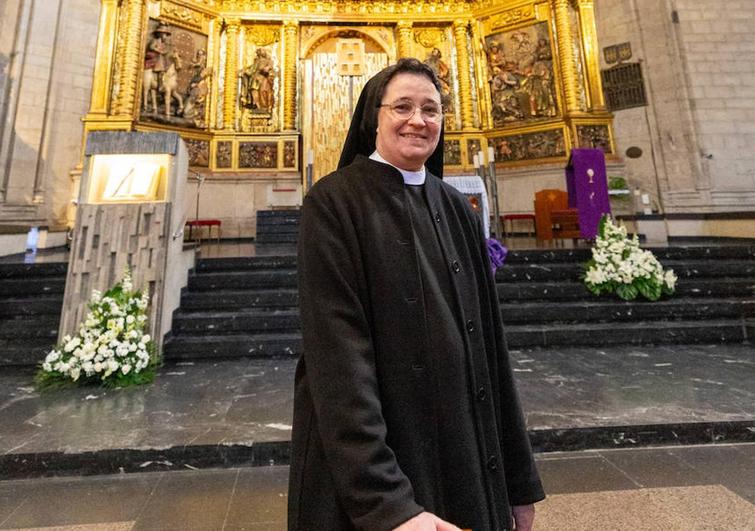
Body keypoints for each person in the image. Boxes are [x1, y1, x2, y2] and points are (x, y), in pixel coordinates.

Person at [289, 58, 545, 531]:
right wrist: (388, 505)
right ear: (374, 117)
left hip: (465, 456)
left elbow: (490, 347)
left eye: (431, 109)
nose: (418, 120)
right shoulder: (333, 203)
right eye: (402, 106)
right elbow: (339, 360)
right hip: (377, 472)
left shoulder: (455, 207)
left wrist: (518, 481)